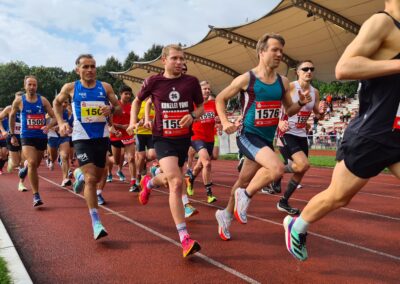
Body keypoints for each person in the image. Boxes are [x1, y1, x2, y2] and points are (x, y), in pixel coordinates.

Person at [283, 1, 400, 261]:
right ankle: (297, 224)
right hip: (372, 133)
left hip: (395, 132)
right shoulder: (383, 22)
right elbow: (344, 68)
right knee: (338, 197)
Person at [214, 33, 311, 241]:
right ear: (261, 52)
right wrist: (225, 122)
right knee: (276, 168)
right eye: (274, 50)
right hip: (247, 135)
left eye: (281, 51)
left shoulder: (283, 82)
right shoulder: (246, 79)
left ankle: (226, 215)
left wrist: (301, 103)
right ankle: (246, 196)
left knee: (242, 180)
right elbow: (220, 99)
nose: (279, 54)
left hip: (266, 139)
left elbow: (289, 109)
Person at [126, 44, 204, 257]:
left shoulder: (191, 82)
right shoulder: (154, 81)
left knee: (171, 179)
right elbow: (137, 101)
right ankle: (185, 238)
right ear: (164, 60)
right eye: (175, 58)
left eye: (182, 58)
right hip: (162, 139)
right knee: (177, 183)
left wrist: (194, 116)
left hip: (183, 139)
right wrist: (134, 121)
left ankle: (149, 182)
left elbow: (200, 106)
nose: (179, 62)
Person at [53, 54, 121, 240]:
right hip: (81, 137)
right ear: (78, 70)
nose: (90, 70)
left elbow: (119, 107)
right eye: (85, 67)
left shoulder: (105, 87)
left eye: (93, 66)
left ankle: (78, 174)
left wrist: (111, 109)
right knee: (91, 180)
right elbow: (57, 103)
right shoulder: (71, 88)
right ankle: (96, 222)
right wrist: (60, 123)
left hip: (102, 137)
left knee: (99, 176)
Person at [263, 60, 326, 215]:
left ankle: (283, 200)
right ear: (297, 71)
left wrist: (322, 112)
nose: (309, 71)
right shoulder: (290, 87)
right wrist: (279, 122)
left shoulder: (314, 92)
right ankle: (273, 175)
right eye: (305, 69)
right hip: (286, 133)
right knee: (303, 164)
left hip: (301, 134)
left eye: (312, 68)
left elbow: (318, 114)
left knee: (301, 169)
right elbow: (271, 104)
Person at [9, 76, 56, 206]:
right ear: (25, 86)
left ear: (37, 86)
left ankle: (24, 170)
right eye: (29, 84)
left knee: (34, 165)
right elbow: (12, 117)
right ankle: (36, 195)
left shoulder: (43, 100)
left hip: (40, 136)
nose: (32, 87)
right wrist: (12, 134)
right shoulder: (19, 101)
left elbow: (54, 117)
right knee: (31, 161)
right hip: (26, 136)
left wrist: (48, 126)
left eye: (34, 85)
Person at [185, 80, 218, 203]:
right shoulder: (192, 104)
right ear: (199, 91)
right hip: (196, 137)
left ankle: (190, 180)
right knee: (207, 163)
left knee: (199, 165)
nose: (208, 91)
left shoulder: (213, 104)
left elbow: (219, 117)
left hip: (209, 138)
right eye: (205, 89)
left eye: (209, 89)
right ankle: (209, 193)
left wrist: (219, 119)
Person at [109, 85, 137, 192]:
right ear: (120, 94)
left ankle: (134, 183)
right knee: (116, 161)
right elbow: (110, 122)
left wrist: (139, 122)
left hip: (128, 135)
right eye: (126, 94)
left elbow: (134, 119)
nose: (128, 96)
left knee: (131, 158)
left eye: (129, 94)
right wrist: (120, 127)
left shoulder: (131, 106)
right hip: (116, 135)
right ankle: (108, 161)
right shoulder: (115, 107)